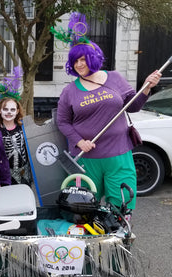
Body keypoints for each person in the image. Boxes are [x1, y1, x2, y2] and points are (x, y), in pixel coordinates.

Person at [54, 16, 161, 212]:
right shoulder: (70, 91)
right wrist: (79, 141)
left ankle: (117, 240)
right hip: (86, 158)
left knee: (121, 204)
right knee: (83, 208)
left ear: (92, 58)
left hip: (118, 154)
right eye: (75, 60)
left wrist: (146, 88)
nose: (79, 64)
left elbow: (133, 106)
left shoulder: (115, 78)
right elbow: (62, 122)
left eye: (82, 59)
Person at [0, 97, 32, 190]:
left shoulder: (23, 128)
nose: (9, 112)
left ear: (17, 111)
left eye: (12, 109)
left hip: (25, 176)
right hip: (6, 178)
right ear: (0, 110)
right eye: (5, 109)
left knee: (24, 201)